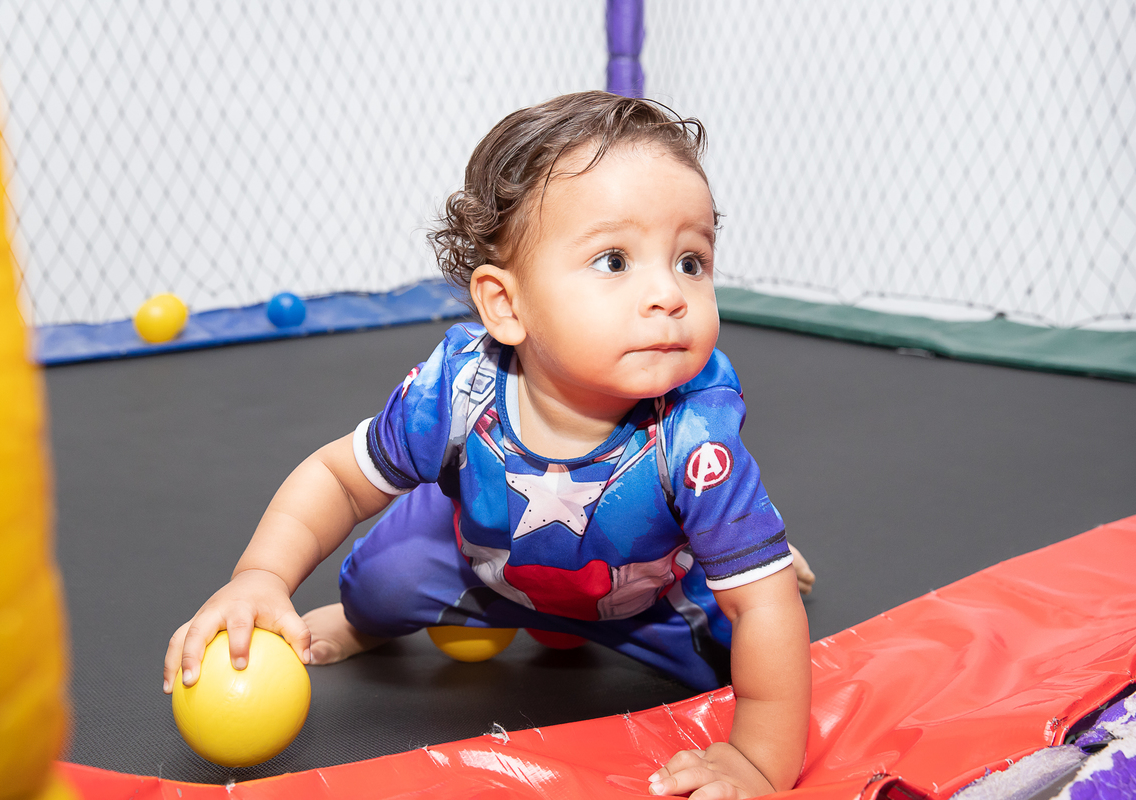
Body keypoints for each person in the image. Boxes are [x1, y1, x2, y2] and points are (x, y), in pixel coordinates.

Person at [163, 90, 813, 797]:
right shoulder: (459, 389)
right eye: (614, 260)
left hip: (641, 599)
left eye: (690, 260)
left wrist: (756, 758)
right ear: (506, 304)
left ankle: (742, 544)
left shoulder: (694, 437)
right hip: (484, 566)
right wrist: (261, 576)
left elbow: (764, 611)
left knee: (753, 640)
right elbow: (340, 479)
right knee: (379, 585)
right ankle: (362, 623)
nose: (670, 294)